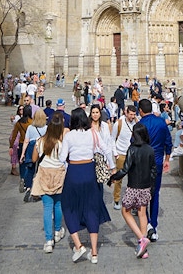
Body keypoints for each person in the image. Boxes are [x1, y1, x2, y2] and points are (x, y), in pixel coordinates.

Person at [59, 108, 113, 264]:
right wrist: (112, 166)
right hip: (90, 171)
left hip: (74, 172)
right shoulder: (92, 133)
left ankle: (79, 245)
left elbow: (63, 158)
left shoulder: (69, 136)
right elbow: (106, 148)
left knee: (68, 207)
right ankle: (94, 253)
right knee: (91, 209)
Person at [108, 122, 157, 259]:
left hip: (133, 186)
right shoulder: (150, 149)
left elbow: (125, 169)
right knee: (142, 214)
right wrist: (152, 188)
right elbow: (154, 171)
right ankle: (143, 249)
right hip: (146, 186)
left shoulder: (132, 149)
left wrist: (113, 177)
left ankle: (141, 238)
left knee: (125, 211)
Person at [31, 112, 67, 253]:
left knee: (47, 207)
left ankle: (48, 240)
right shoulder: (60, 144)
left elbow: (34, 159)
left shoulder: (40, 141)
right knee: (58, 204)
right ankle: (57, 231)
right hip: (58, 173)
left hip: (44, 172)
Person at [138, 98, 172, 241]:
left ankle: (146, 227)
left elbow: (134, 145)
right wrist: (167, 160)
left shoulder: (140, 125)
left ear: (140, 110)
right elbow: (168, 142)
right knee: (155, 194)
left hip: (143, 164)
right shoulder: (161, 123)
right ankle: (154, 225)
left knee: (143, 194)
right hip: (157, 162)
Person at [111, 105, 138, 209]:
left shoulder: (137, 122)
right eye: (130, 114)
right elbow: (112, 138)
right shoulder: (119, 123)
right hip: (121, 153)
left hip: (133, 154)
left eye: (134, 114)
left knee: (134, 178)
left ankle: (134, 200)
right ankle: (117, 199)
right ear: (126, 113)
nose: (132, 116)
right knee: (119, 178)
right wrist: (115, 153)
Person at [20, 109, 48, 201]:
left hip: (31, 148)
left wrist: (23, 154)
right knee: (41, 170)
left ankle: (28, 187)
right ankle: (38, 190)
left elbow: (26, 141)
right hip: (41, 149)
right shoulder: (46, 128)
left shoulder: (30, 127)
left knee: (30, 169)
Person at [9, 105, 33, 192]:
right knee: (29, 163)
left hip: (22, 144)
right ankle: (28, 180)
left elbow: (14, 135)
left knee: (21, 163)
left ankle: (22, 177)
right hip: (30, 144)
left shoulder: (19, 123)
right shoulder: (32, 122)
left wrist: (11, 146)